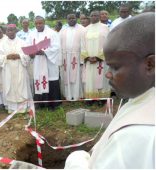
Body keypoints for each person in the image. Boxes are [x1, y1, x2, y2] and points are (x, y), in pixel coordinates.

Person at [65, 12, 155, 169]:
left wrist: (76, 159)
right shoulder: (141, 100)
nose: (107, 73)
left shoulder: (134, 134)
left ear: (150, 64)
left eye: (115, 67)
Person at [26, 16, 62, 110]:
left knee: (50, 81)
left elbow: (56, 47)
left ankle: (53, 105)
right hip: (37, 62)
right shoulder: (31, 34)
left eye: (40, 23)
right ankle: (40, 104)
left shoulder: (52, 33)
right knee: (38, 81)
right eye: (36, 23)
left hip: (49, 62)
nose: (38, 25)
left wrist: (45, 52)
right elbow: (27, 46)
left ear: (44, 22)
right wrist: (31, 54)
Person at [0, 24, 32, 113]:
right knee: (9, 86)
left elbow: (27, 54)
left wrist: (19, 56)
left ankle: (23, 107)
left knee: (21, 86)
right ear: (6, 32)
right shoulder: (2, 43)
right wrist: (7, 56)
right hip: (8, 68)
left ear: (16, 31)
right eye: (8, 30)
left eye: (12, 30)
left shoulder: (22, 42)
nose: (10, 32)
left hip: (20, 67)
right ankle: (12, 108)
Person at [81, 11, 110, 99]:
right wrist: (87, 57)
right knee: (90, 79)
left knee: (102, 79)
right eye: (92, 15)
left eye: (96, 15)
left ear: (99, 17)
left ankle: (102, 98)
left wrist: (99, 57)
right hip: (89, 60)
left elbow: (108, 43)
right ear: (90, 17)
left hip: (101, 60)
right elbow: (82, 44)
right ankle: (91, 99)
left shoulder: (105, 28)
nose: (94, 17)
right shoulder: (86, 29)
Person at [60, 14, 85, 101]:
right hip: (65, 56)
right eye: (69, 18)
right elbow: (59, 45)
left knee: (76, 77)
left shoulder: (82, 29)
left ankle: (77, 95)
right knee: (66, 76)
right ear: (67, 20)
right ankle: (68, 96)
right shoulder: (63, 30)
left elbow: (84, 44)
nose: (71, 20)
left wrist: (82, 59)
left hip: (76, 56)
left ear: (76, 19)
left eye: (73, 18)